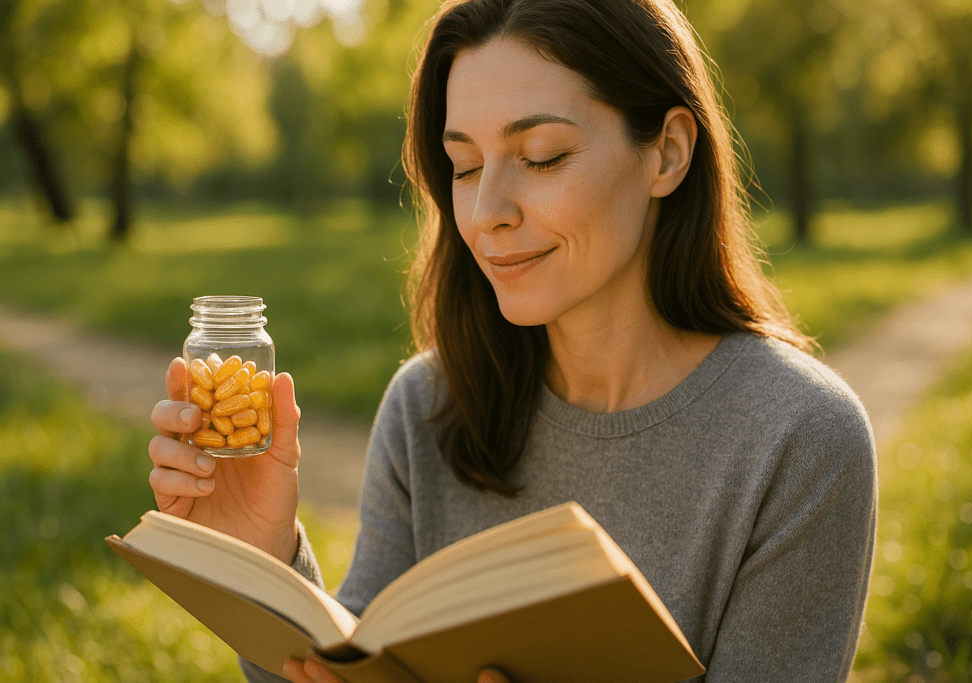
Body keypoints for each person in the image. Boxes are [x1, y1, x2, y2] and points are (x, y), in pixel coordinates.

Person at [148, 0, 877, 681]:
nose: (487, 211)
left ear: (668, 154)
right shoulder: (429, 405)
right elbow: (356, 659)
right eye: (465, 167)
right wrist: (265, 556)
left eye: (542, 155)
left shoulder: (800, 437)